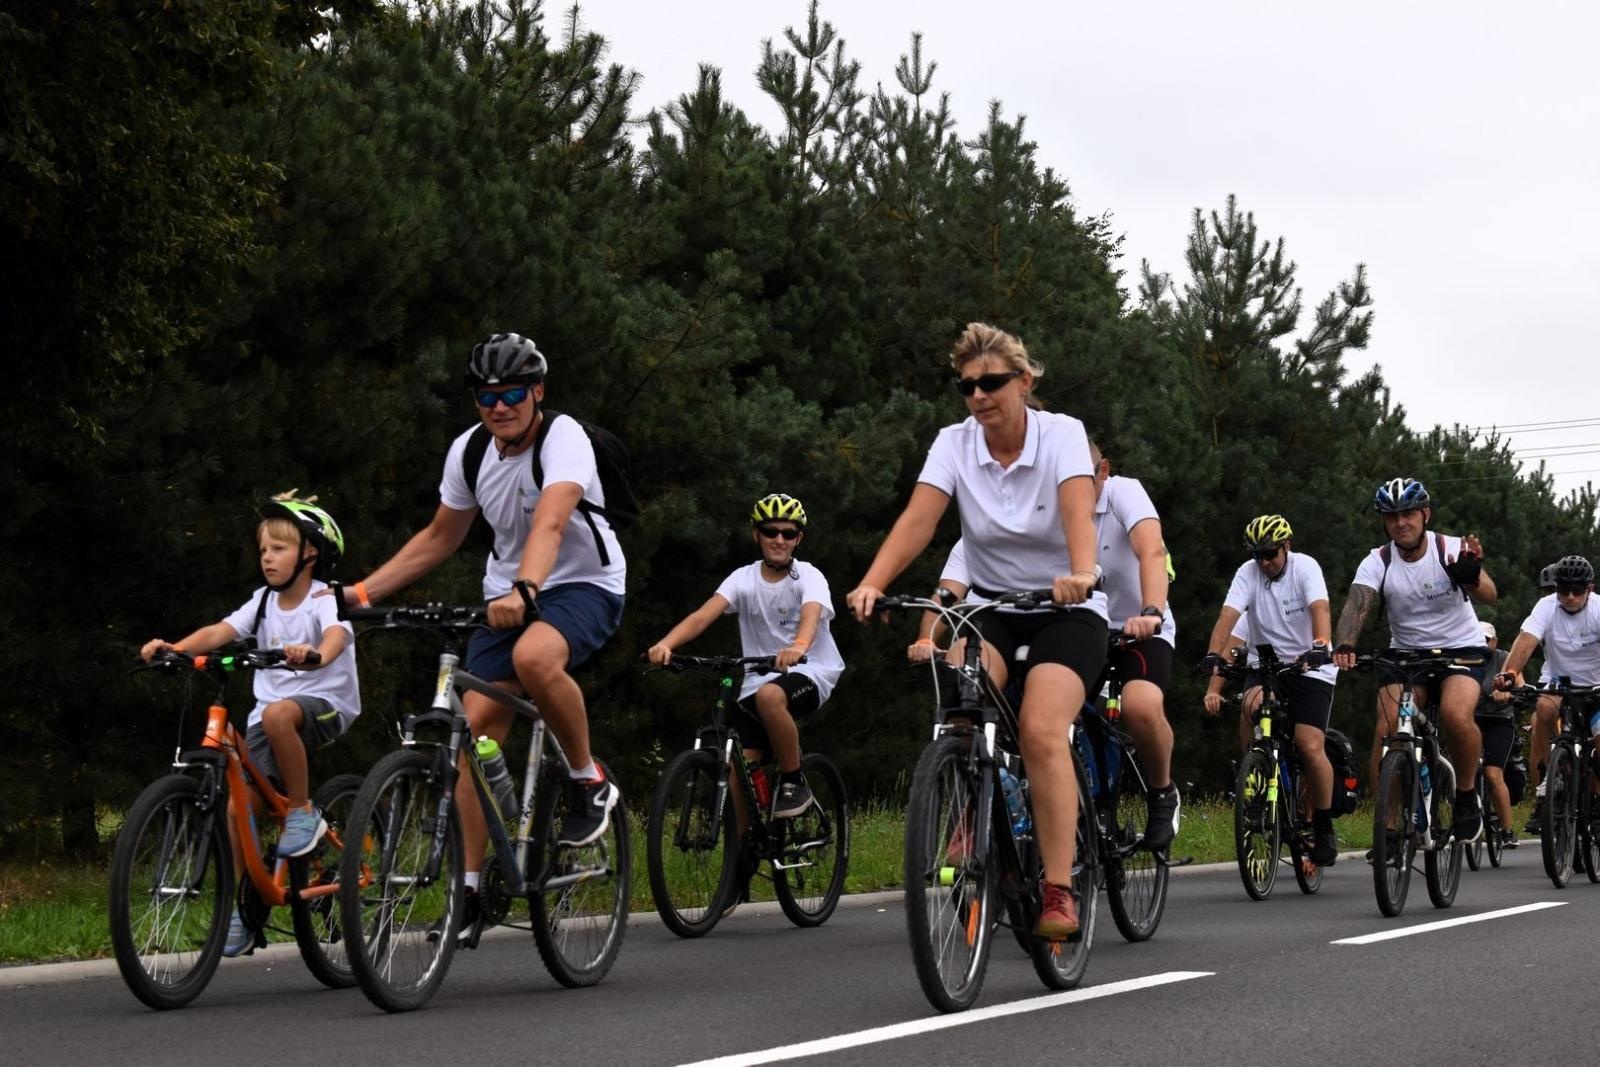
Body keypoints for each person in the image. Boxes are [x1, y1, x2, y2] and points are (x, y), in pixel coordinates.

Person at [341, 333, 626, 939]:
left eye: (513, 393)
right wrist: (360, 596)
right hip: (506, 592)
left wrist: (527, 589)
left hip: (584, 584)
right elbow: (441, 537)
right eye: (486, 396)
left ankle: (587, 782)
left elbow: (552, 520)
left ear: (538, 392)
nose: (500, 407)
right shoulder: (469, 452)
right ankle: (468, 891)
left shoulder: (563, 438)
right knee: (471, 731)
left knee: (535, 656)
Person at [846, 322, 1106, 941]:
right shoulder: (954, 444)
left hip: (1065, 612)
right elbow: (918, 519)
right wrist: (872, 581)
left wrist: (1081, 571)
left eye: (991, 382)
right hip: (989, 607)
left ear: (1024, 381)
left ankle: (1060, 888)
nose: (979, 396)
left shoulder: (1063, 434)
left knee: (1043, 729)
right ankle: (970, 798)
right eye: (967, 386)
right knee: (962, 700)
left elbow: (1076, 509)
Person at [141, 495, 359, 956]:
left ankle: (302, 812)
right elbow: (220, 631)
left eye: (278, 549)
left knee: (280, 713)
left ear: (309, 554)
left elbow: (337, 634)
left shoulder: (323, 599)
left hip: (325, 702)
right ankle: (247, 906)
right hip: (270, 717)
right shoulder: (262, 603)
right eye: (263, 550)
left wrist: (316, 653)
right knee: (240, 806)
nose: (267, 557)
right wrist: (173, 648)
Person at [646, 493, 845, 821]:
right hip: (758, 681)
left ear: (799, 539)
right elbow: (702, 616)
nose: (779, 540)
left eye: (788, 533)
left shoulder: (809, 576)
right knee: (736, 769)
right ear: (756, 534)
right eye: (770, 532)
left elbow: (811, 614)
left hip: (811, 672)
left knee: (770, 696)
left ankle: (794, 783)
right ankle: (741, 861)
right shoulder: (743, 578)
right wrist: (666, 644)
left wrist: (798, 646)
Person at [1332, 476, 1497, 842]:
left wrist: (1471, 579)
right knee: (1387, 725)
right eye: (1391, 517)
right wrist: (1345, 642)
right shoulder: (1379, 560)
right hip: (1407, 654)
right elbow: (1358, 603)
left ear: (1425, 514)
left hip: (1461, 650)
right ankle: (1388, 828)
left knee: (1456, 714)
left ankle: (1467, 795)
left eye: (1408, 514)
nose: (1400, 523)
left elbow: (1490, 594)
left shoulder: (1449, 548)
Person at [1200, 515, 1339, 864]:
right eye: (1257, 556)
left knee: (1308, 745)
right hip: (1268, 668)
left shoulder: (1305, 568)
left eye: (1270, 554)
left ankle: (1322, 824)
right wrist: (1213, 657)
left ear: (1286, 547)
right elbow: (1228, 619)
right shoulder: (1248, 573)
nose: (1264, 562)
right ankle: (1256, 772)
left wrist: (1321, 643)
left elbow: (1320, 608)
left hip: (1309, 666)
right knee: (1250, 705)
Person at [1086, 442, 1180, 849]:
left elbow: (1151, 551)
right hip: (1083, 629)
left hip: (1139, 626)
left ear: (1102, 470)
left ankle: (1162, 792)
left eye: (1082, 474)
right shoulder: (1050, 507)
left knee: (1140, 706)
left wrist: (1152, 610)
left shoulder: (1123, 492)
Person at [1495, 556, 1600, 835]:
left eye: (1577, 591)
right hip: (1559, 682)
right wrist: (1509, 673)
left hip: (1595, 686)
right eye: (1563, 589)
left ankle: (1597, 801)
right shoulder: (1547, 606)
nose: (1569, 597)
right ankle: (1551, 775)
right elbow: (1526, 640)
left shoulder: (1598, 610)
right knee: (1543, 708)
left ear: (1590, 588)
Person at [1471, 620, 1517, 849]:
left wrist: (1508, 694)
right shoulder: (1466, 658)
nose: (1481, 644)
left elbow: (1519, 682)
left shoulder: (1505, 658)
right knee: (1463, 772)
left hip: (1500, 721)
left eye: (1485, 640)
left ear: (1494, 641)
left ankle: (1507, 830)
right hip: (1471, 721)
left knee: (1492, 773)